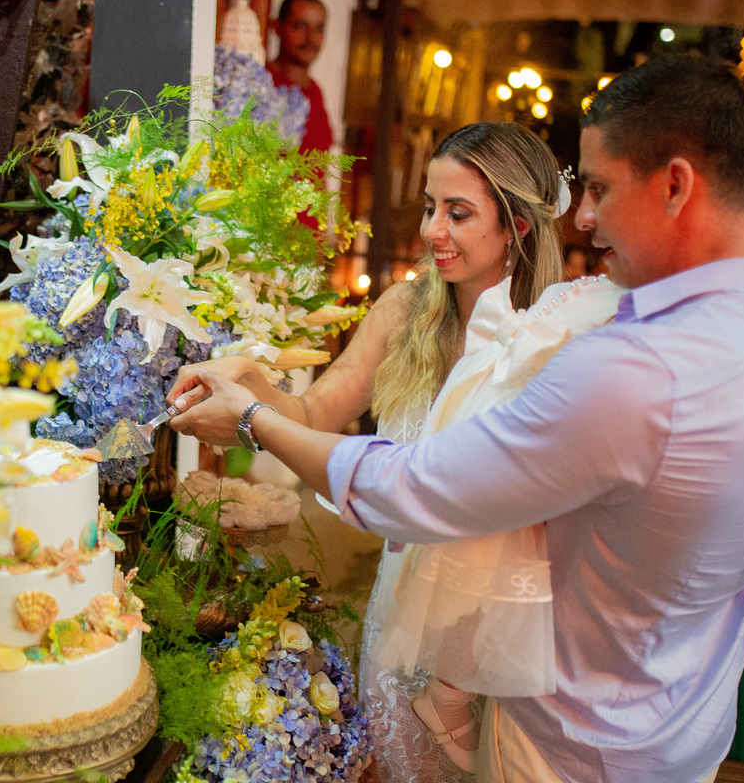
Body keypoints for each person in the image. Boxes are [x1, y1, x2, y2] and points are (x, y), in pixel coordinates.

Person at [169, 54, 744, 782]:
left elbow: (421, 488)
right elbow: (322, 412)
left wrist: (252, 422)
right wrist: (257, 389)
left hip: (559, 719)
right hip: (684, 714)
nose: (584, 215)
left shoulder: (599, 351)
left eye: (602, 188)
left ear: (675, 185)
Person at [170, 121, 618, 780]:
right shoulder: (404, 310)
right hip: (402, 611)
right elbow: (314, 412)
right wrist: (246, 380)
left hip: (514, 633)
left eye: (458, 213)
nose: (434, 230)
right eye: (430, 208)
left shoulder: (560, 334)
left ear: (519, 226)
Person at [267, 0, 333, 156]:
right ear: (277, 27)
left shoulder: (316, 91)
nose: (311, 37)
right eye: (301, 26)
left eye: (319, 29)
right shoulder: (260, 82)